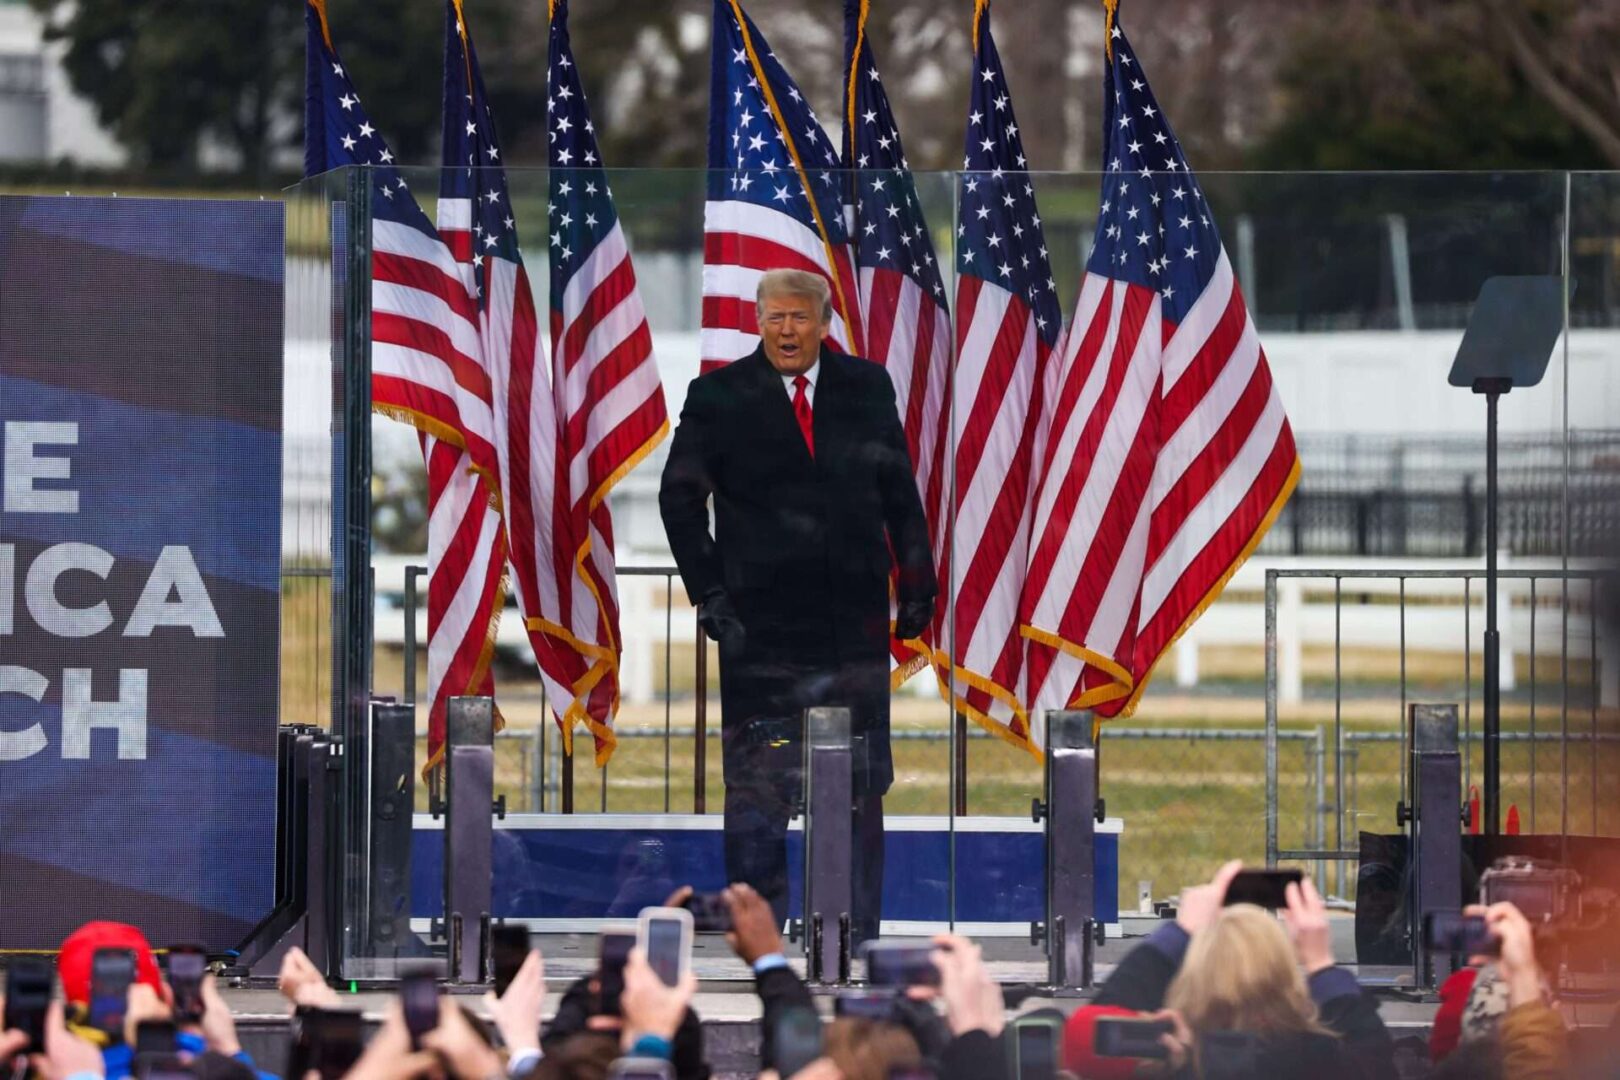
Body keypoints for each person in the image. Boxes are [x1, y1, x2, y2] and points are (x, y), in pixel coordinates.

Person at [659, 268, 936, 940]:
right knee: (759, 787)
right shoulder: (718, 396)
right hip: (760, 630)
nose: (788, 330)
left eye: (800, 318)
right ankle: (763, 932)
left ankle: (856, 930)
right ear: (758, 321)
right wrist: (711, 594)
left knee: (859, 783)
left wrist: (919, 582)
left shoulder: (867, 388)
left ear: (824, 322)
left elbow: (900, 492)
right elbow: (679, 499)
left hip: (854, 625)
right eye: (776, 318)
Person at [1081, 861, 1395, 1080]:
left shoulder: (1162, 1062)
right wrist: (1320, 961)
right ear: (1286, 982)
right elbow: (1374, 1061)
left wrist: (1180, 931)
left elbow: (1091, 1032)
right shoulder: (1324, 1059)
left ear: (1192, 979)